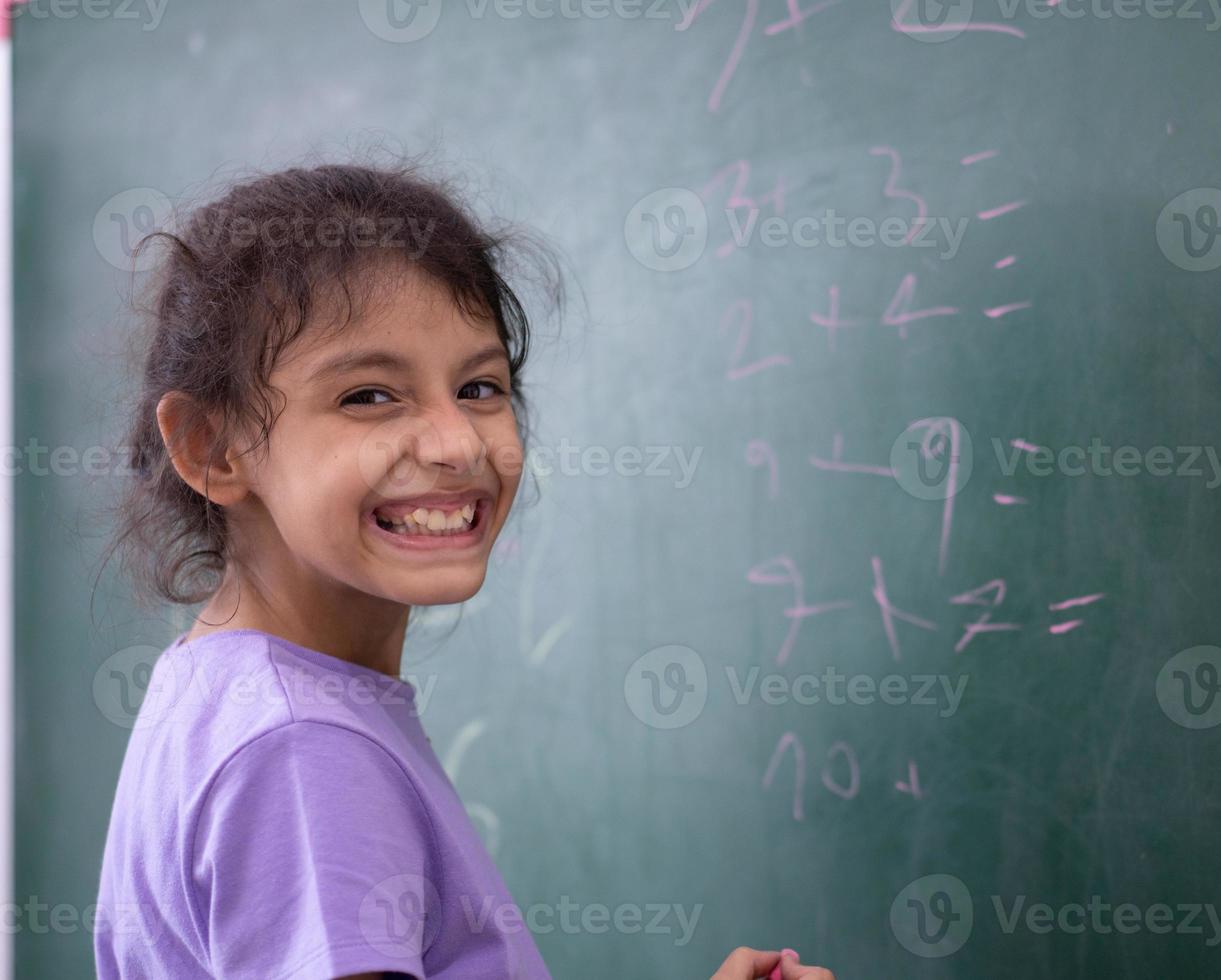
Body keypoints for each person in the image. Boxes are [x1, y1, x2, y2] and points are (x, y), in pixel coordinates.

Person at [92, 159, 835, 980]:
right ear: (211, 447)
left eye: (481, 386)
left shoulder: (223, 691)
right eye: (369, 396)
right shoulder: (304, 750)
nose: (458, 443)